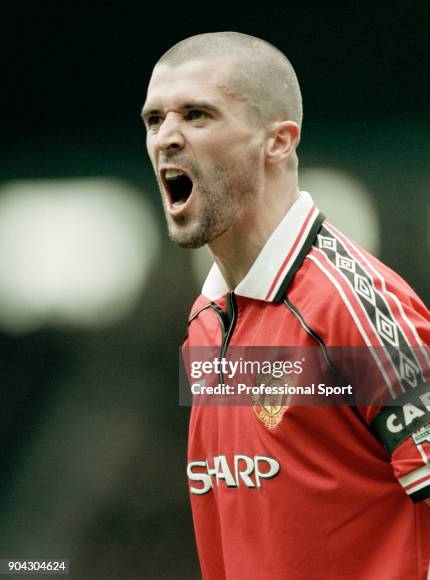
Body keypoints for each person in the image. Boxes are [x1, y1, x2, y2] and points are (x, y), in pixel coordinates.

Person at [142, 32, 430, 579]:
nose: (166, 139)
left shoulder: (355, 307)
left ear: (278, 141)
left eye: (197, 115)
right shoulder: (204, 324)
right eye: (154, 120)